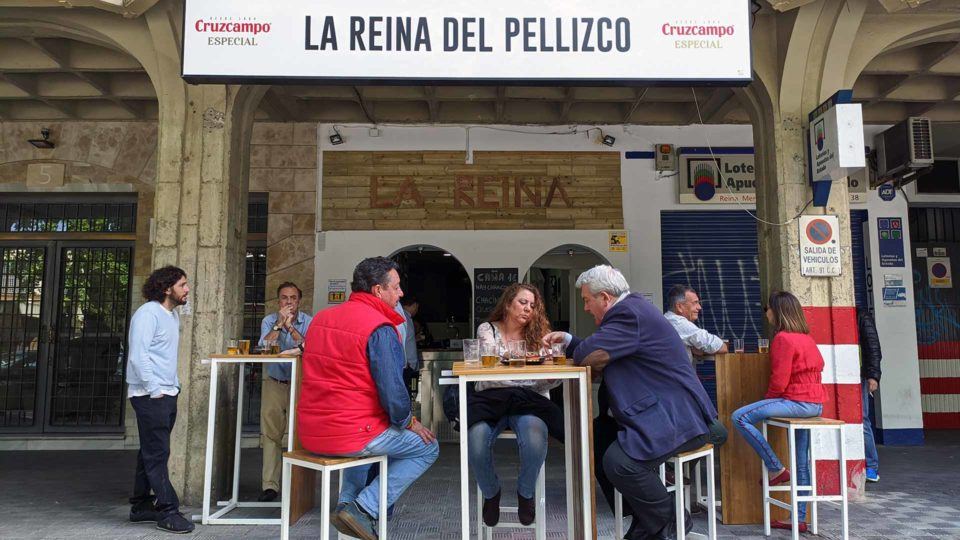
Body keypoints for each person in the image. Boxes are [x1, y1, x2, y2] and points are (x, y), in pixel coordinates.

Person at [543, 265, 717, 540]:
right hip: (657, 409)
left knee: (620, 463)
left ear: (605, 298)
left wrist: (577, 346)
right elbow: (596, 350)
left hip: (676, 415)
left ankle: (671, 517)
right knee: (596, 439)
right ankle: (644, 520)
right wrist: (569, 340)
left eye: (587, 300)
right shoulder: (632, 310)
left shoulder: (628, 314)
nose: (586, 308)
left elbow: (590, 352)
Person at [299, 257, 439, 540]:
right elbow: (393, 393)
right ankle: (365, 507)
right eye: (396, 287)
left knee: (362, 452)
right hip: (353, 433)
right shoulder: (380, 327)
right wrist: (410, 422)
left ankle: (347, 512)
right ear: (377, 290)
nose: (401, 294)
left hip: (312, 432)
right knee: (428, 447)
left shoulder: (321, 319)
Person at [731, 291, 825, 534]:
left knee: (739, 417)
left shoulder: (783, 339)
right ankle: (799, 518)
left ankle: (775, 468)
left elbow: (780, 381)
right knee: (801, 463)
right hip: (815, 405)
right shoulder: (807, 338)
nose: (766, 313)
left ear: (778, 311)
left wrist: (766, 404)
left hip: (796, 402)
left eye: (768, 309)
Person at [470, 283, 562, 528]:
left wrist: (547, 370)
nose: (528, 309)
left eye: (532, 305)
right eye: (522, 302)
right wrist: (530, 376)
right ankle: (491, 494)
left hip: (529, 405)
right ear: (508, 303)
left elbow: (554, 379)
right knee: (477, 442)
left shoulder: (541, 335)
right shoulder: (487, 330)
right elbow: (492, 372)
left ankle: (526, 493)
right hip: (492, 402)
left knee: (534, 439)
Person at [126, 266, 194, 534]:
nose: (187, 289)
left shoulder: (171, 314)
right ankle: (168, 510)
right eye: (183, 285)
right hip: (150, 395)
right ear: (167, 288)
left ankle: (141, 505)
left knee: (149, 450)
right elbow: (138, 355)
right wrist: (155, 389)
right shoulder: (147, 314)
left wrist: (172, 388)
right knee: (158, 453)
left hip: (166, 391)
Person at [256, 282, 312, 503]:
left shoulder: (309, 321)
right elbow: (263, 346)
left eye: (293, 298)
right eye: (284, 298)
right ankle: (270, 486)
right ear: (278, 301)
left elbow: (310, 346)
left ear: (299, 301)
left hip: (301, 383)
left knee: (299, 434)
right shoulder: (269, 321)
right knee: (271, 434)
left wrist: (291, 327)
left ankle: (297, 486)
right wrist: (280, 324)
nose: (289, 302)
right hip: (274, 381)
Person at [663, 284, 729, 448]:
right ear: (679, 307)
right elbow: (719, 346)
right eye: (695, 303)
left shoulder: (665, 321)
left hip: (670, 397)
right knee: (718, 433)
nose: (699, 307)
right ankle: (670, 468)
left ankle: (673, 468)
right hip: (679, 397)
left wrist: (693, 349)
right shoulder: (678, 323)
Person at [858, 307, 882, 483]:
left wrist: (873, 376)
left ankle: (871, 466)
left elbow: (873, 347)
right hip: (843, 374)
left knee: (862, 419)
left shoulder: (861, 316)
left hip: (859, 374)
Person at [399, 295, 420, 397]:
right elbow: (399, 340)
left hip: (409, 365)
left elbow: (406, 339)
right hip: (407, 366)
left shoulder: (406, 317)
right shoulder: (403, 318)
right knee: (409, 395)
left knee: (411, 394)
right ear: (414, 305)